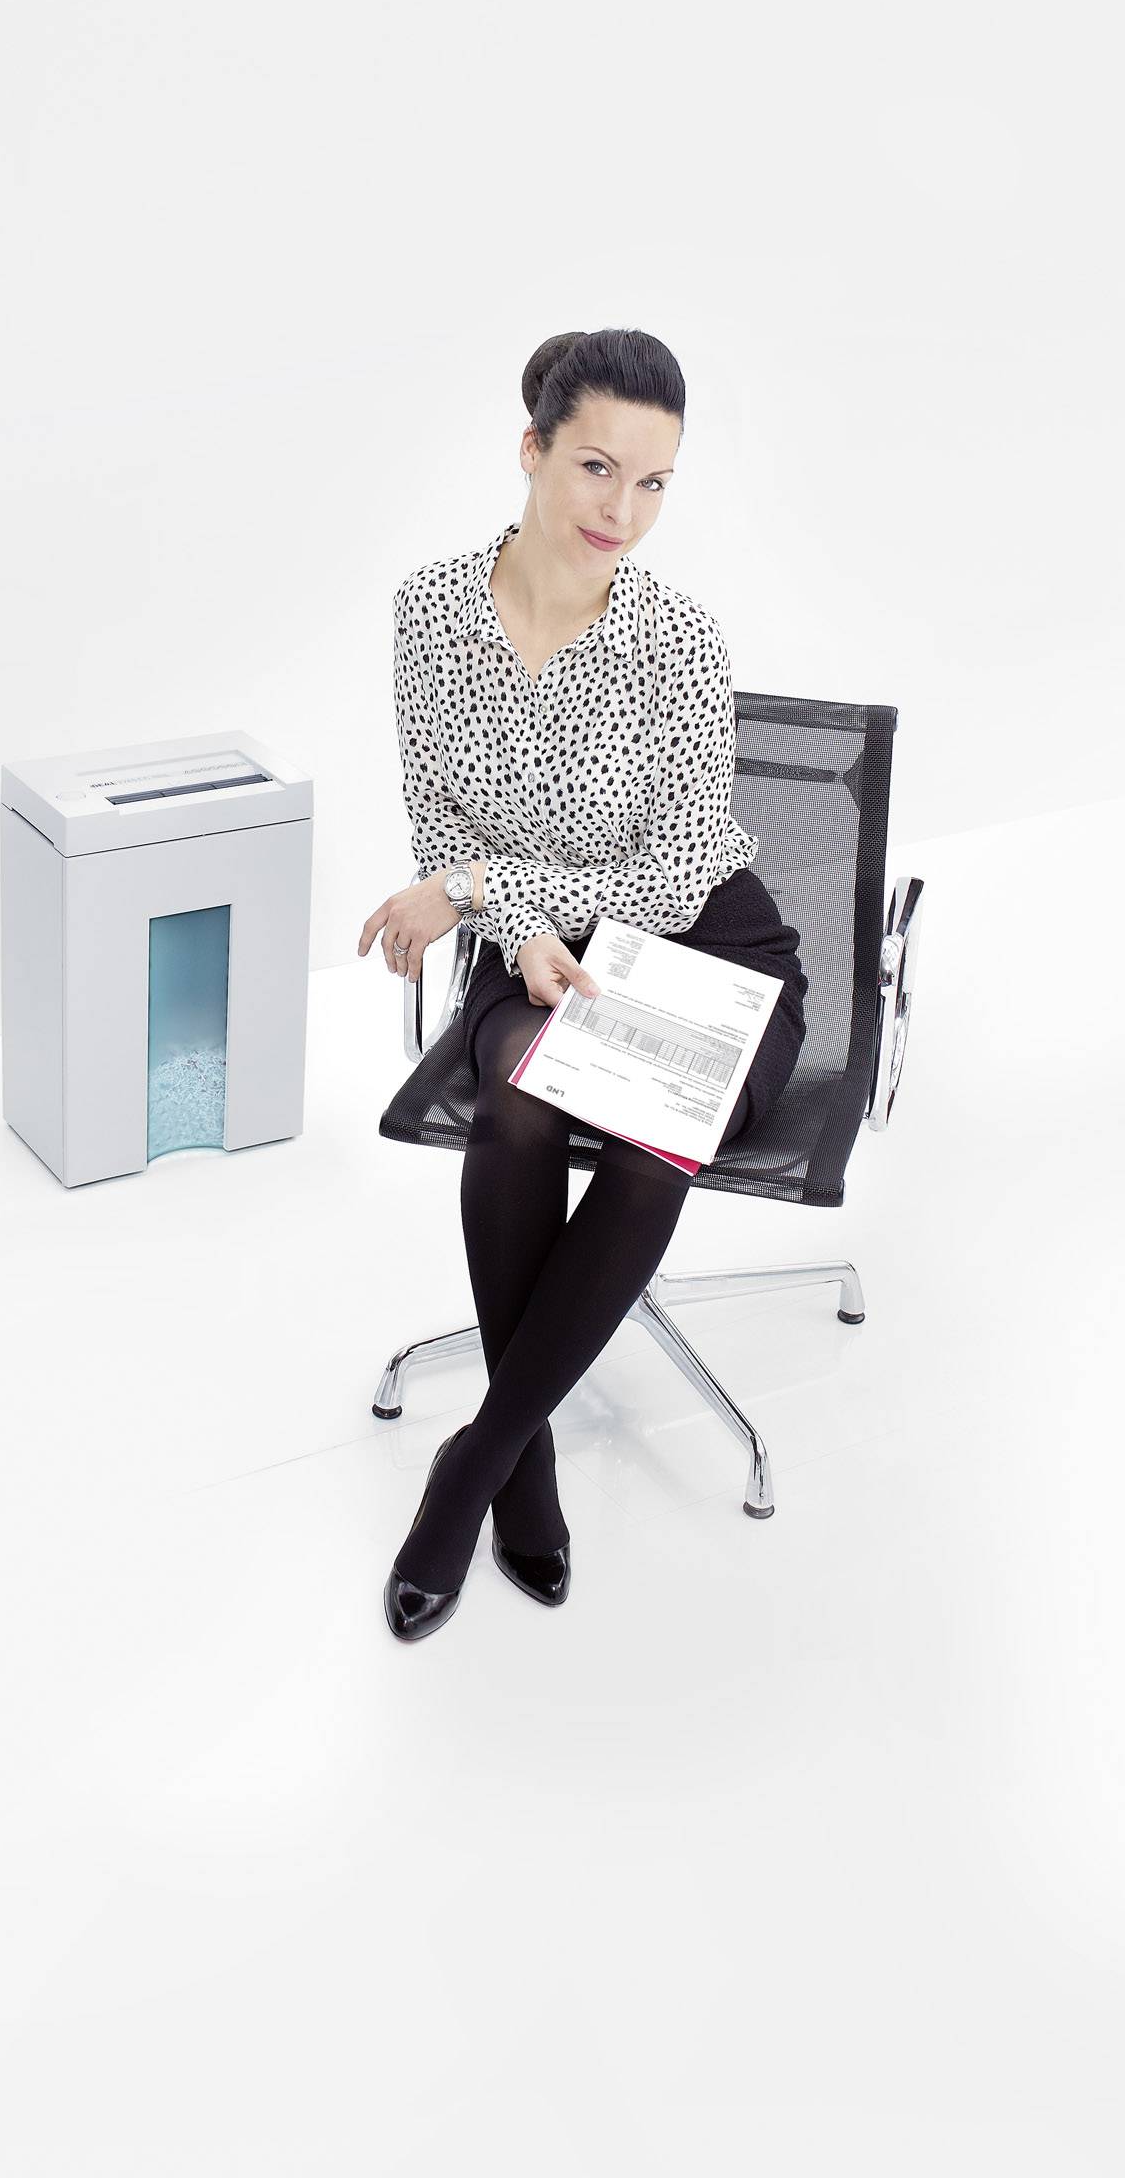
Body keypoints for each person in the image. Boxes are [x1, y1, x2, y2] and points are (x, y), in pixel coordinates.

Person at [357, 327, 808, 1642]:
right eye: (598, 467)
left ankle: (479, 1458)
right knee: (515, 1099)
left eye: (654, 482)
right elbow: (440, 821)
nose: (623, 510)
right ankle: (531, 1451)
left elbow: (673, 865)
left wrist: (487, 889)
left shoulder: (679, 642)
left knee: (655, 1139)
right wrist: (499, 909)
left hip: (707, 947)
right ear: (532, 450)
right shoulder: (431, 615)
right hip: (534, 957)